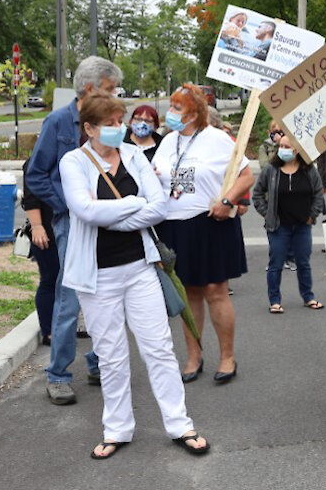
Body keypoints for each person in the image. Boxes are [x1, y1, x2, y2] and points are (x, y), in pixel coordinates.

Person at [58, 93, 210, 460]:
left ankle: (179, 424)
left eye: (118, 121)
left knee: (158, 348)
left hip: (140, 268)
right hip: (97, 276)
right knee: (110, 355)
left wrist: (115, 214)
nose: (118, 128)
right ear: (89, 128)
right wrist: (132, 205)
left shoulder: (134, 155)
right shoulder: (73, 162)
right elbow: (84, 210)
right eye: (108, 123)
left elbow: (159, 208)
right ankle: (117, 429)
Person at [26, 56, 121, 405]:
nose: (115, 94)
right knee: (70, 297)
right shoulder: (58, 121)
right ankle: (58, 375)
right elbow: (35, 174)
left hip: (109, 219)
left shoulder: (109, 124)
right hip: (72, 223)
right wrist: (66, 206)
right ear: (91, 88)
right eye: (110, 88)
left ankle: (97, 362)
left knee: (107, 292)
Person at [154, 83, 254, 386]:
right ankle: (193, 355)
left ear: (195, 112)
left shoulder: (218, 139)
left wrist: (227, 201)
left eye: (178, 108)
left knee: (215, 291)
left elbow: (246, 175)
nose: (171, 113)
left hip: (211, 223)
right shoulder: (168, 142)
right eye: (171, 107)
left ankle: (227, 357)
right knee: (189, 294)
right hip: (174, 225)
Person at [252, 133, 326, 313]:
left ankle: (308, 296)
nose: (283, 150)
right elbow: (257, 194)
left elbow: (318, 194)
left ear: (298, 150)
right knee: (276, 263)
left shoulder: (309, 170)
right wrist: (267, 213)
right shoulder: (271, 170)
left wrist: (312, 215)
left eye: (287, 146)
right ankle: (275, 300)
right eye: (281, 146)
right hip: (278, 227)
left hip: (302, 226)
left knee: (303, 262)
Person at [22, 157, 59, 346]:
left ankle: (63, 326)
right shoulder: (36, 162)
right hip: (45, 232)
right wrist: (37, 227)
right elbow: (30, 199)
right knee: (50, 280)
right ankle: (49, 331)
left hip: (65, 230)